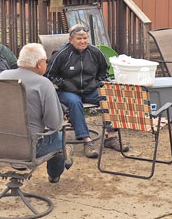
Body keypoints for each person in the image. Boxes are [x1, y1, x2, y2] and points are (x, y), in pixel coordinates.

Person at [46, 24, 125, 158]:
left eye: (85, 38)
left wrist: (97, 82)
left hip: (90, 90)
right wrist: (64, 84)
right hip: (67, 92)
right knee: (74, 102)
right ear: (71, 40)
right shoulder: (61, 54)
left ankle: (110, 137)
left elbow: (104, 70)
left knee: (109, 96)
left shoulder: (95, 52)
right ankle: (87, 141)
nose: (82, 41)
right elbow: (49, 75)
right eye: (79, 38)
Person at [0, 43, 71, 183]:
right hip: (30, 147)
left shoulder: (2, 76)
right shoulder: (43, 83)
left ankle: (19, 162)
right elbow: (54, 124)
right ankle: (54, 176)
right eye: (46, 61)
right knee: (60, 138)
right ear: (39, 64)